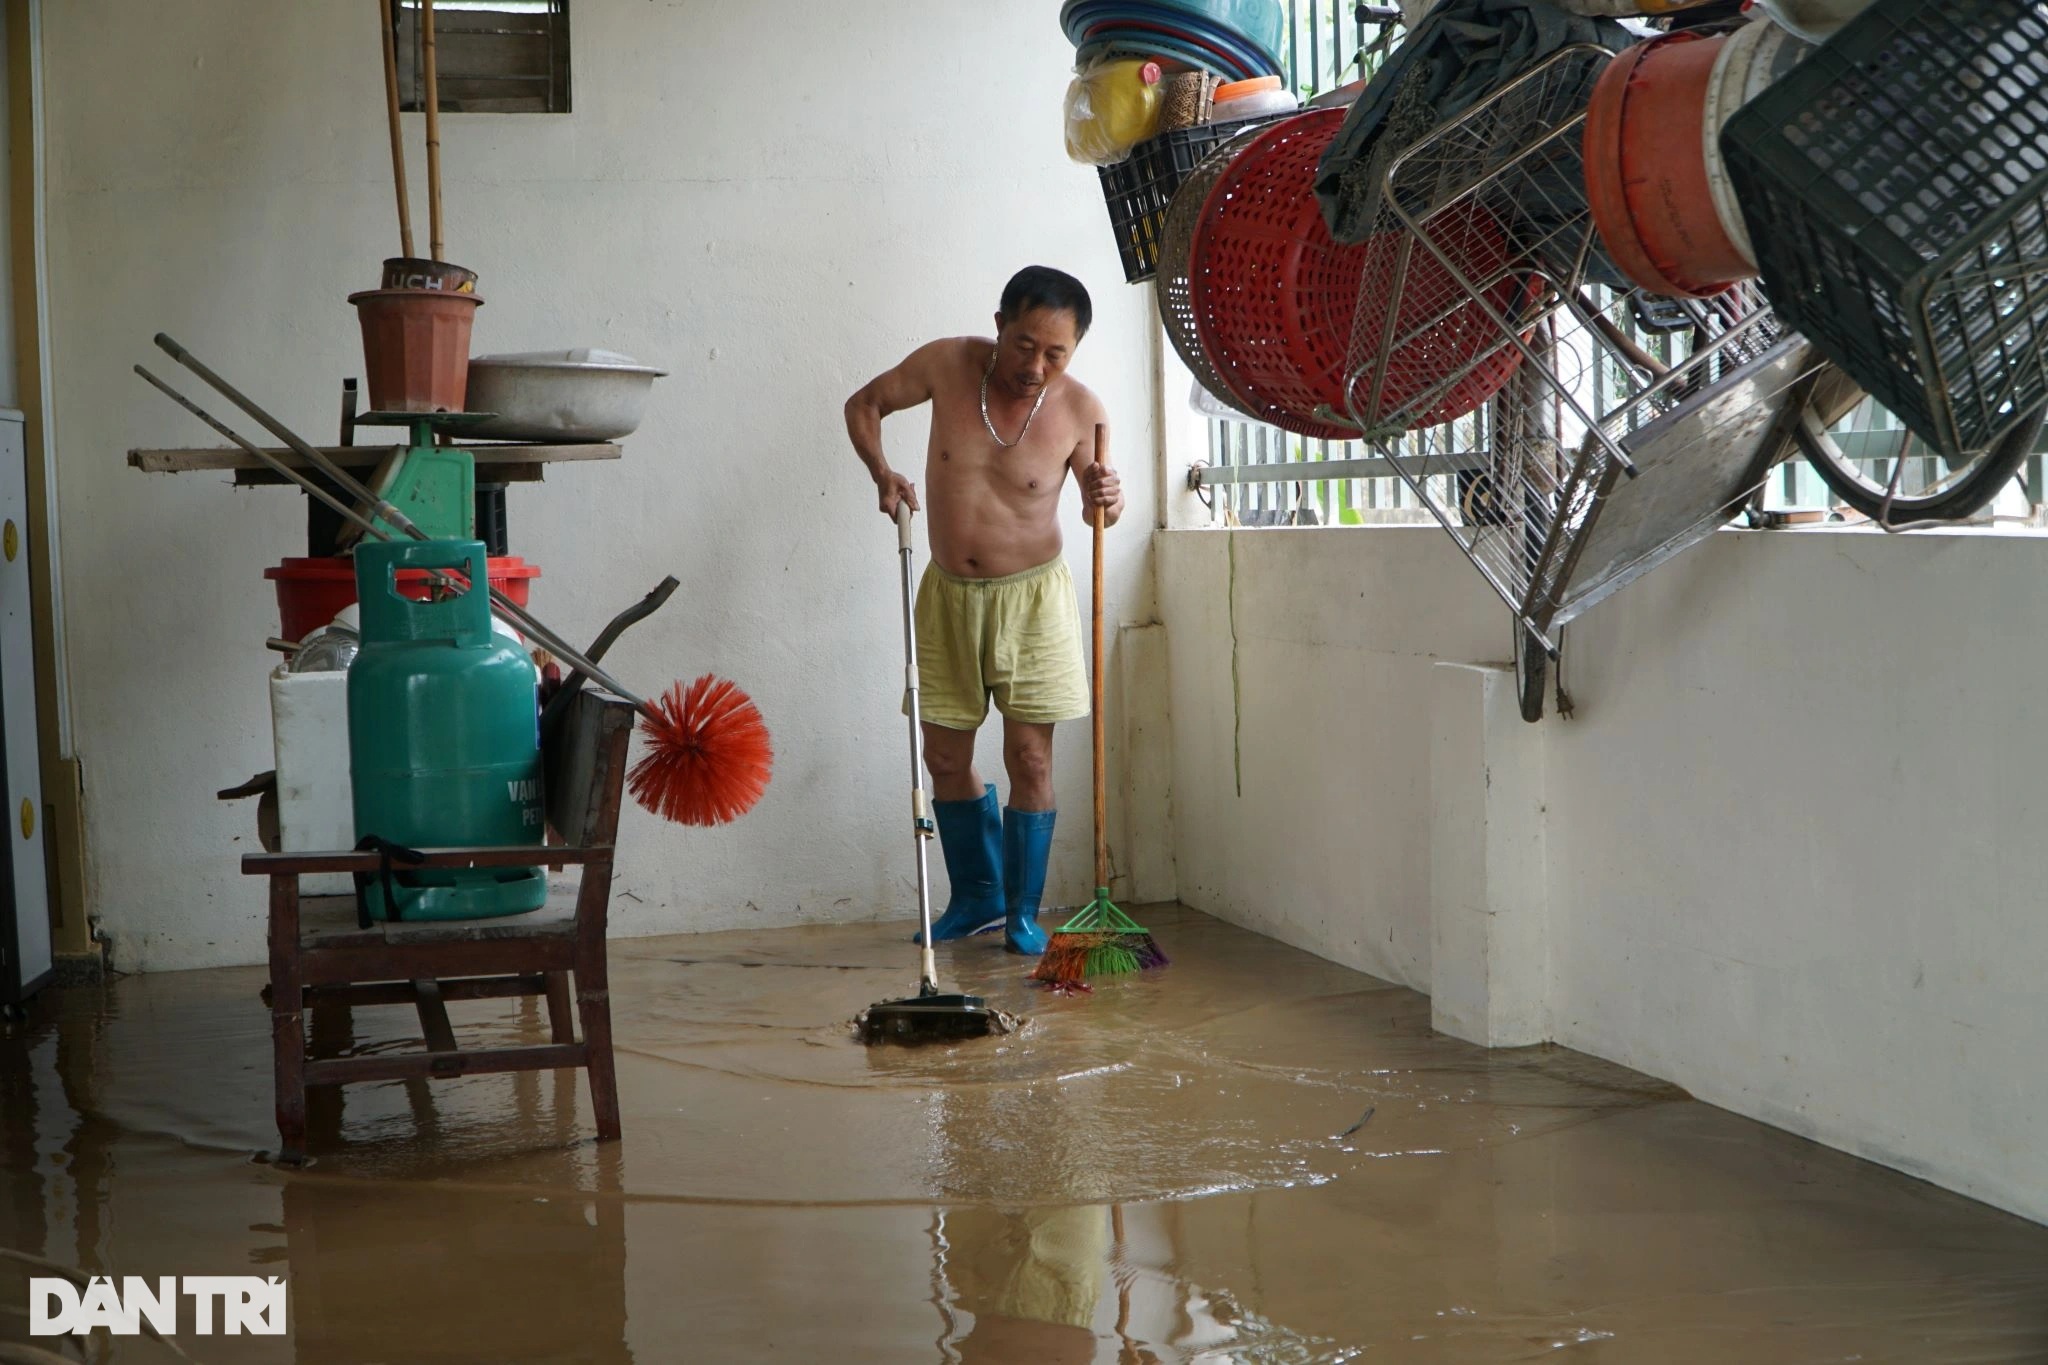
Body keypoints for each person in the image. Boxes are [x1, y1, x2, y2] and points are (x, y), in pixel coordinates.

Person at [844, 266, 1123, 955]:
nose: (1036, 366)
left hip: (1034, 600)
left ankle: (1022, 912)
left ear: (1075, 351)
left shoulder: (1082, 411)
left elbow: (1100, 514)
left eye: (1056, 353)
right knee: (943, 756)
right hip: (947, 596)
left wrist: (1105, 494)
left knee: (1030, 757)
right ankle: (976, 898)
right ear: (999, 323)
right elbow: (864, 403)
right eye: (1025, 344)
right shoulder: (948, 364)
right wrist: (883, 473)